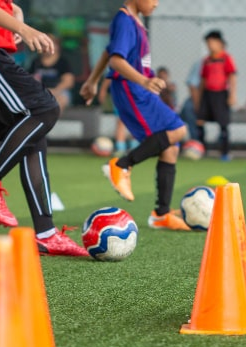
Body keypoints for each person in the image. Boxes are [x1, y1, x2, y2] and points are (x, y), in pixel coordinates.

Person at [0, 0, 88, 256]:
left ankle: (46, 234)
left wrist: (14, 11)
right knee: (45, 109)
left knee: (33, 132)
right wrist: (24, 29)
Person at [80, 0, 191, 231]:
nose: (157, 4)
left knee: (171, 147)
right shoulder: (125, 19)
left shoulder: (134, 21)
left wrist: (92, 81)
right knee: (178, 130)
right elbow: (116, 60)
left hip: (140, 89)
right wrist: (145, 80)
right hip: (132, 90)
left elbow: (108, 51)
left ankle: (161, 214)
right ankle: (121, 165)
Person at [198, 29, 237, 161]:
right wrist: (200, 98)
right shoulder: (207, 60)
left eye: (212, 42)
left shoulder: (226, 58)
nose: (209, 46)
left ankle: (225, 153)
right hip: (207, 94)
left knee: (223, 123)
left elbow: (232, 77)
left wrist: (232, 95)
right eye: (207, 43)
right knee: (200, 121)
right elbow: (203, 80)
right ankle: (201, 150)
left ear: (220, 43)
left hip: (221, 94)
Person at [27, 36, 74, 110]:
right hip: (40, 92)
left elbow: (68, 82)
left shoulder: (63, 62)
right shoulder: (36, 62)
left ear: (57, 46)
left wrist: (55, 90)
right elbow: (30, 80)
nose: (46, 47)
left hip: (59, 91)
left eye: (49, 44)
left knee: (58, 101)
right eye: (43, 44)